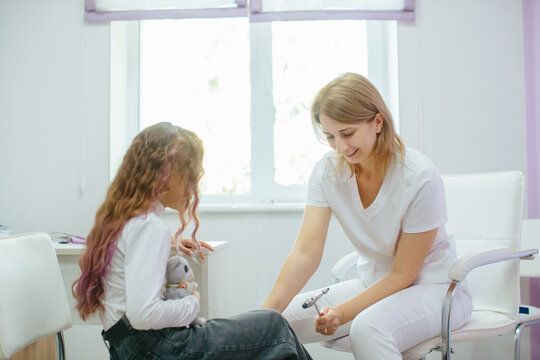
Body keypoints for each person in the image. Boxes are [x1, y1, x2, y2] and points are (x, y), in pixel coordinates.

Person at [262, 73, 473, 359]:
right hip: (373, 283)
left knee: (368, 328)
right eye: (330, 136)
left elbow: (403, 274)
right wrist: (261, 318)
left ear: (377, 122)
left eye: (347, 134)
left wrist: (342, 312)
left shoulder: (419, 176)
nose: (340, 147)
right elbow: (305, 252)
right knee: (276, 327)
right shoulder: (327, 171)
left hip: (436, 289)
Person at [73, 122, 312, 360]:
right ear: (163, 176)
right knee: (273, 326)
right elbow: (144, 315)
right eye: (189, 175)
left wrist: (170, 242)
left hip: (127, 348)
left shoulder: (125, 220)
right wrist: (192, 304)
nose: (194, 184)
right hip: (157, 347)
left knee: (272, 330)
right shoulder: (150, 227)